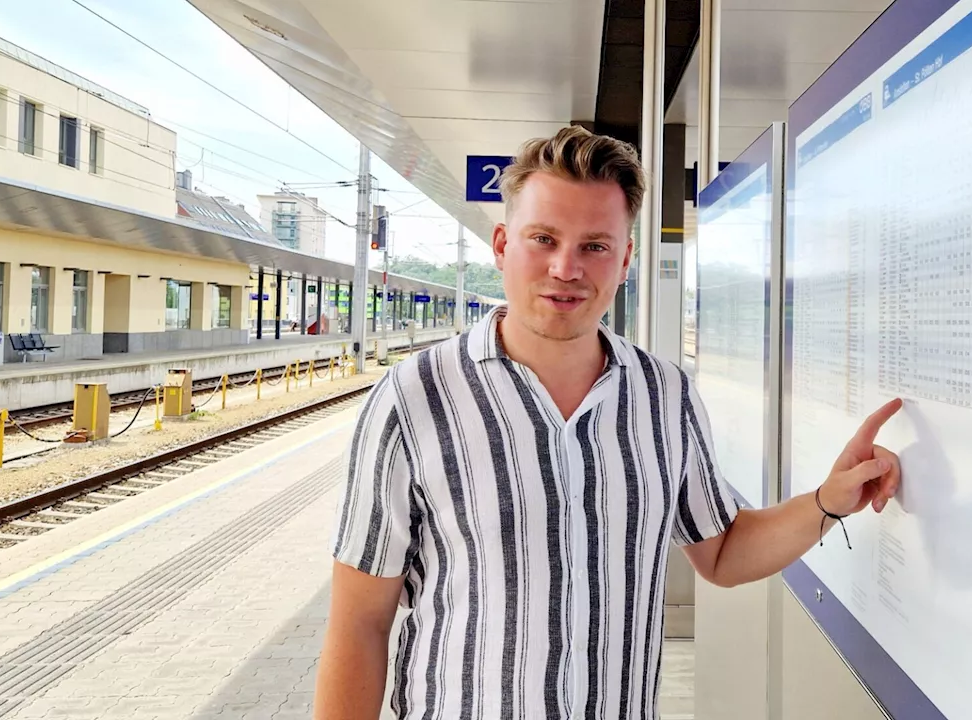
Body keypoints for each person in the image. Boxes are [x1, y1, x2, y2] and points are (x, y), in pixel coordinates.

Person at [314, 126, 903, 719]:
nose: (566, 268)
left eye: (595, 245)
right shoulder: (414, 397)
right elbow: (361, 622)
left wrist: (829, 500)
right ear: (501, 244)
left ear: (625, 259)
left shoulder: (663, 395)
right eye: (543, 238)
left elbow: (722, 551)